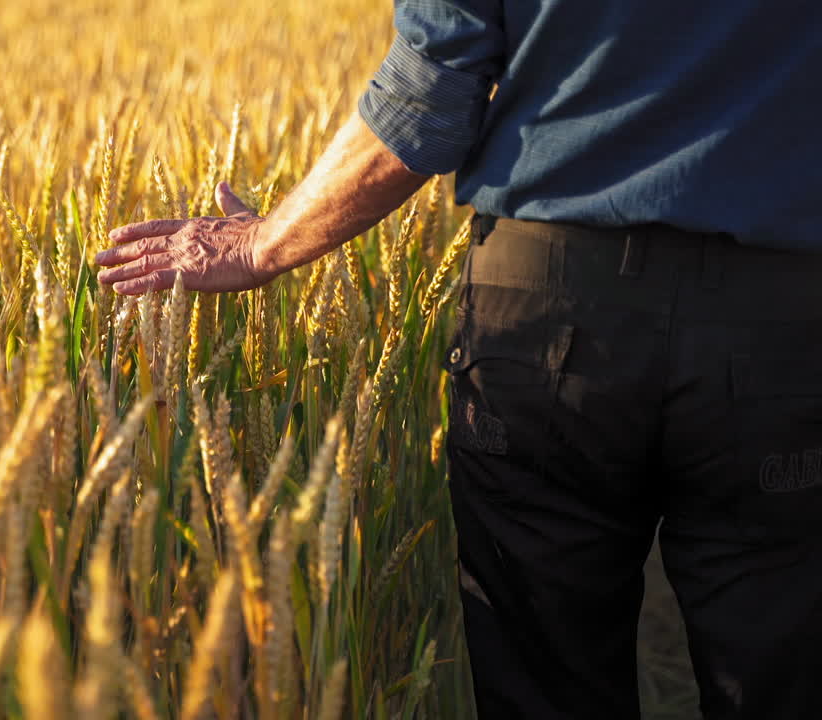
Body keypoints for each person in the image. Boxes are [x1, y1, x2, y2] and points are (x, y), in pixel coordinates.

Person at [95, 0, 822, 717]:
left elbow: (429, 90)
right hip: (780, 321)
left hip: (547, 314)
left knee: (544, 682)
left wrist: (264, 243)